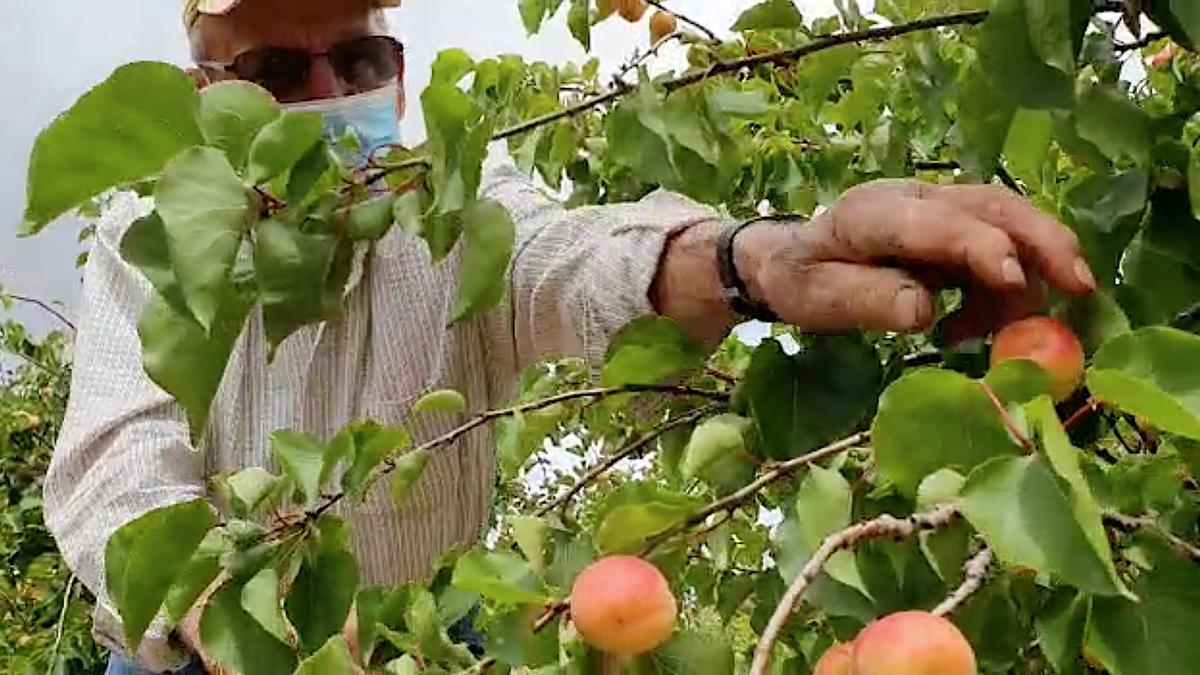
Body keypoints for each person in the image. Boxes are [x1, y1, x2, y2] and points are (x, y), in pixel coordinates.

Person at [42, 0, 1097, 673]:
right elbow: (116, 463)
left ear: (398, 76)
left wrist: (754, 260)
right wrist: (236, 615)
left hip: (430, 632)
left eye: (358, 57)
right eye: (275, 69)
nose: (328, 96)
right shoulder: (152, 237)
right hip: (201, 646)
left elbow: (574, 259)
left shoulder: (449, 207)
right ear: (202, 96)